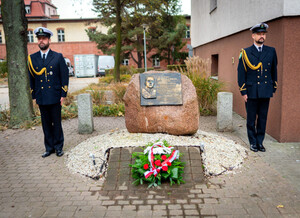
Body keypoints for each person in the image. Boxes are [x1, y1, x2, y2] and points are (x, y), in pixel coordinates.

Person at [28, 27, 69, 158]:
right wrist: (34, 95)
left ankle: (58, 147)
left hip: (55, 96)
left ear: (49, 40)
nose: (41, 41)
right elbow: (31, 78)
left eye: (44, 38)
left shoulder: (57, 56)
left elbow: (64, 75)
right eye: (39, 39)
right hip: (41, 96)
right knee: (45, 124)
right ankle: (49, 148)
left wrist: (63, 94)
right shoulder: (32, 58)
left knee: (56, 123)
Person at [237, 22, 278, 152]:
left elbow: (274, 70)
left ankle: (260, 142)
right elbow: (241, 73)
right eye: (259, 34)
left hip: (265, 90)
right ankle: (252, 142)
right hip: (251, 91)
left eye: (263, 34)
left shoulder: (271, 51)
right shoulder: (246, 52)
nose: (262, 36)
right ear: (253, 36)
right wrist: (243, 91)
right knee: (251, 119)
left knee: (262, 118)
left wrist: (273, 87)